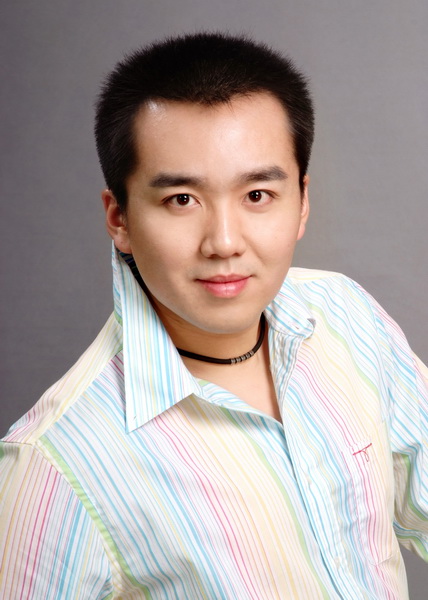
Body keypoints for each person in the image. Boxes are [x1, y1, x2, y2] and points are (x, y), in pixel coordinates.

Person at [0, 32, 427, 600]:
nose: (224, 242)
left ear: (302, 201)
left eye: (257, 195)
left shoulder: (347, 316)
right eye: (182, 200)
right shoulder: (52, 466)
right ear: (119, 217)